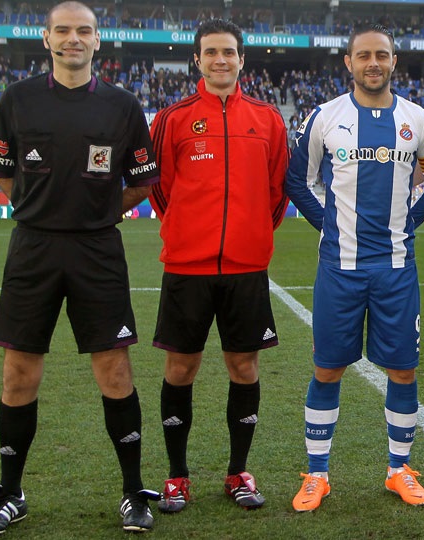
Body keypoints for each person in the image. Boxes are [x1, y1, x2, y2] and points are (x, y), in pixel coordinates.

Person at [0, 1, 160, 535]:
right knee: (18, 372)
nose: (73, 38)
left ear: (97, 40)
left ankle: (132, 493)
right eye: (63, 30)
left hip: (98, 250)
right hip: (33, 248)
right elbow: (5, 174)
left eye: (84, 31)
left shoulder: (123, 105)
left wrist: (98, 214)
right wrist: (40, 211)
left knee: (115, 370)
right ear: (48, 39)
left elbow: (143, 182)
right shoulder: (17, 99)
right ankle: (11, 493)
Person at [285, 24, 424, 512]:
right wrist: (327, 226)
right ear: (349, 62)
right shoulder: (323, 117)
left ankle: (398, 469)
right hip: (340, 267)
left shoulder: (418, 118)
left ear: (394, 61)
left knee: (403, 370)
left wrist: (411, 221)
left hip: (397, 268)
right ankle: (317, 475)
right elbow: (298, 180)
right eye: (364, 55)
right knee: (327, 367)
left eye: (382, 55)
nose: (373, 63)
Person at [146, 19, 289, 513]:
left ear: (242, 59)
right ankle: (177, 476)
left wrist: (250, 236)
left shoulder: (268, 118)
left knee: (243, 366)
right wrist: (190, 231)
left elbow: (277, 193)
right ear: (197, 59)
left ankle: (237, 472)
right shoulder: (172, 118)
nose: (220, 60)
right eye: (211, 52)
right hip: (188, 267)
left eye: (229, 52)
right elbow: (160, 188)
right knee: (181, 367)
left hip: (246, 268)